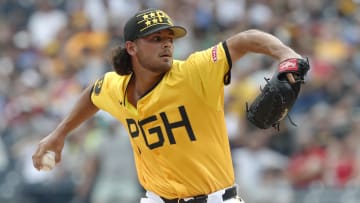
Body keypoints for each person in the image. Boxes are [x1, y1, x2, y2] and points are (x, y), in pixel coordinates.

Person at [32, 8, 302, 203]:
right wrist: (59, 133)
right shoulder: (116, 87)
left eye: (170, 38)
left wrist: (286, 54)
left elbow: (246, 39)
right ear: (131, 47)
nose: (167, 45)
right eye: (156, 39)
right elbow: (93, 93)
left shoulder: (194, 72)